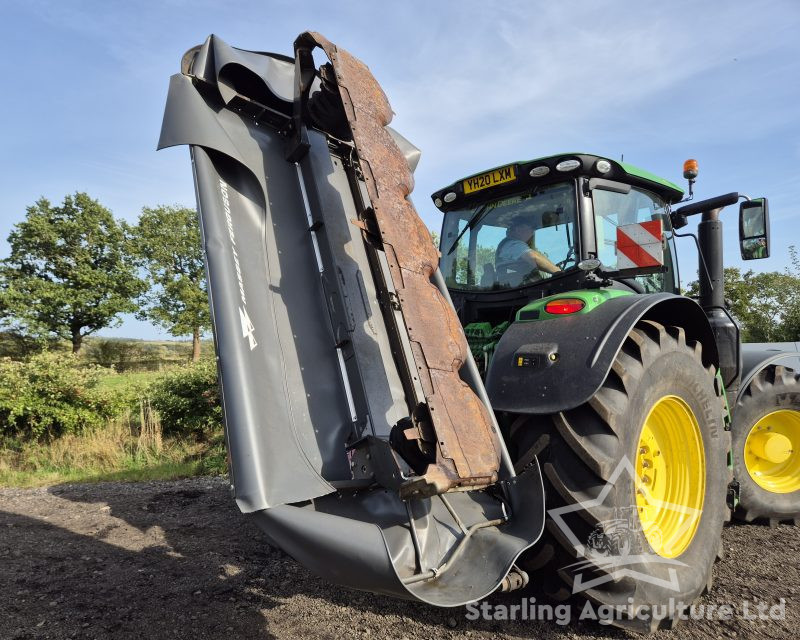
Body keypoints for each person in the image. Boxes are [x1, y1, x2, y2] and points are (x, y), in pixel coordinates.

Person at [495, 216, 560, 286]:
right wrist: (559, 272)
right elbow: (533, 257)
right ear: (518, 230)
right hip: (525, 290)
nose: (532, 233)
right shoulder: (513, 245)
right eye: (531, 229)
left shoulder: (508, 245)